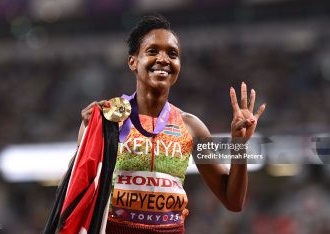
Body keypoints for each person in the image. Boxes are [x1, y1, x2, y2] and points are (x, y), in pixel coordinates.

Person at [79, 14, 266, 234]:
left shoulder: (192, 128)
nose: (163, 59)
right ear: (133, 61)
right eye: (152, 51)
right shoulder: (107, 118)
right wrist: (90, 131)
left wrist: (239, 145)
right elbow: (75, 192)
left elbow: (233, 202)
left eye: (172, 54)